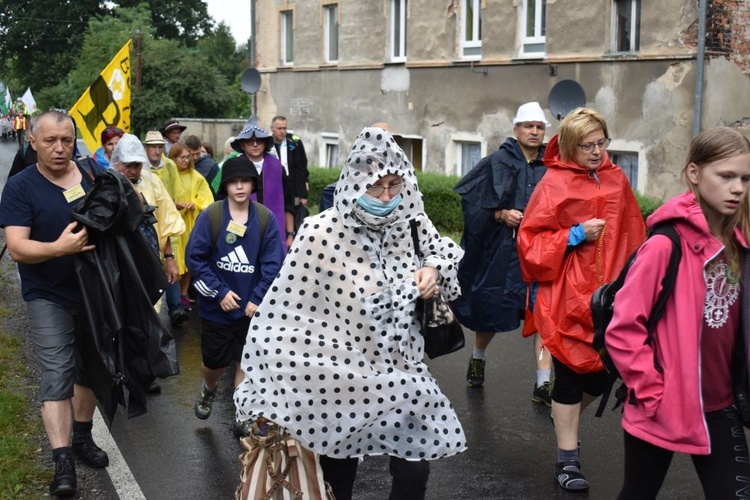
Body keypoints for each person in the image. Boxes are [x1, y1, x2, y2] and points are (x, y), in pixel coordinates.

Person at [235, 126, 467, 500]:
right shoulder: (320, 232)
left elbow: (443, 250)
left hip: (402, 367)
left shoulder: (409, 220)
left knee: (414, 467)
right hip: (339, 377)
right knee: (338, 471)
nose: (387, 196)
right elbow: (283, 312)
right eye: (377, 187)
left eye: (395, 184)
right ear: (356, 182)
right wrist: (265, 390)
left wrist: (433, 269)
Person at [606, 126, 750, 499]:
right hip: (662, 404)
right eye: (726, 176)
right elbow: (623, 328)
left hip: (721, 405)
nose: (738, 188)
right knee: (638, 493)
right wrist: (653, 392)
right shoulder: (664, 245)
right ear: (694, 174)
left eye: (745, 178)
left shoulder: (741, 245)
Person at [517, 107, 646, 492]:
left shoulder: (616, 178)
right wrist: (574, 235)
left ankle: (566, 424)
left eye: (601, 143)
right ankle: (567, 457)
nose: (596, 152)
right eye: (587, 145)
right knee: (571, 376)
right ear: (571, 146)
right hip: (565, 296)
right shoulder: (553, 184)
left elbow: (634, 233)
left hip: (612, 297)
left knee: (605, 373)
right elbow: (529, 243)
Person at [0, 110, 110, 497]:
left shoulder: (92, 175)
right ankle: (63, 462)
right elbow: (16, 247)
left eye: (66, 140)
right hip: (48, 293)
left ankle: (82, 436)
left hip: (97, 292)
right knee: (57, 373)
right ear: (33, 141)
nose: (60, 148)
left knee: (93, 368)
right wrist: (57, 248)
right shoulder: (19, 187)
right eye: (50, 141)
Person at [452, 102, 553, 403]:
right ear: (516, 129)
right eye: (528, 126)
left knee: (543, 315)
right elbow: (471, 203)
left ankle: (543, 384)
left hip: (539, 254)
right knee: (489, 312)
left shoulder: (552, 166)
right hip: (501, 253)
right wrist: (500, 215)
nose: (534, 132)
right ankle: (478, 356)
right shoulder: (495, 162)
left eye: (539, 127)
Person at [186, 155, 284, 431]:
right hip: (217, 310)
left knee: (246, 361)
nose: (240, 187)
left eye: (245, 181)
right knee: (214, 362)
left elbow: (273, 264)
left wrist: (257, 299)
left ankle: (243, 414)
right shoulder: (212, 216)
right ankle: (209, 386)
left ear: (253, 184)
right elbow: (195, 259)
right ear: (226, 186)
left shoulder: (265, 218)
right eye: (234, 182)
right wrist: (219, 293)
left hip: (251, 311)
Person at [230, 117, 295, 252]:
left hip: (272, 232)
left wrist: (290, 234)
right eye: (250, 141)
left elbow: (288, 203)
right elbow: (223, 203)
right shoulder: (233, 167)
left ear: (265, 143)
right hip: (240, 233)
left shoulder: (277, 167)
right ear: (242, 144)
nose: (255, 144)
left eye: (259, 140)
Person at [169, 142, 214, 310]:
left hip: (189, 222)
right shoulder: (169, 176)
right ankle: (173, 296)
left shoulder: (196, 176)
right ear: (173, 158)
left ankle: (184, 293)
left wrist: (194, 203)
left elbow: (206, 196)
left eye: (188, 157)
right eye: (182, 157)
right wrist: (176, 204)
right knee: (174, 258)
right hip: (173, 224)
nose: (186, 160)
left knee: (188, 258)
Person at [271, 115, 309, 224]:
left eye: (284, 128)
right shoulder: (266, 143)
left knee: (294, 212)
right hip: (274, 185)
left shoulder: (295, 142)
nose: (282, 131)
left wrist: (303, 194)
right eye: (279, 128)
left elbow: (301, 168)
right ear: (272, 128)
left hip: (292, 185)